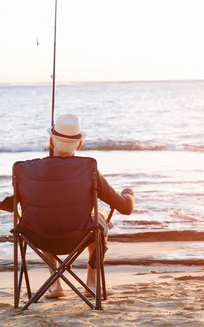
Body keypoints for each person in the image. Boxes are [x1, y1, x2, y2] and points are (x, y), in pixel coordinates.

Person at [44, 113, 135, 298]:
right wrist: (129, 194)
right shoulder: (89, 170)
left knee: (40, 217)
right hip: (81, 235)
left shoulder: (29, 171)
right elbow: (125, 208)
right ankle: (91, 282)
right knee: (97, 219)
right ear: (79, 144)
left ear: (51, 143)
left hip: (40, 237)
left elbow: (17, 203)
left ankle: (55, 282)